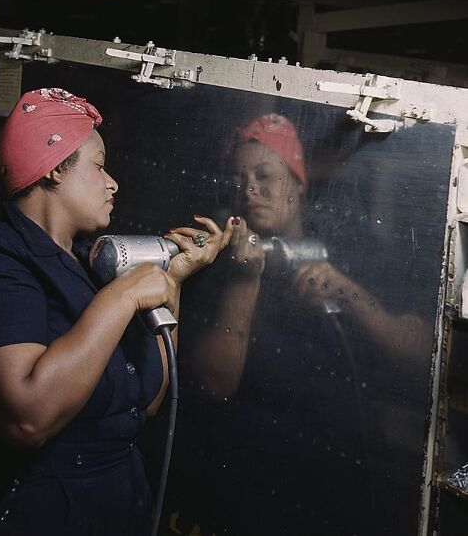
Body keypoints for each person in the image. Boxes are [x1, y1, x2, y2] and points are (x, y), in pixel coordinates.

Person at [0, 87, 235, 536]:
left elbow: (151, 402)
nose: (112, 182)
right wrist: (121, 297)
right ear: (56, 169)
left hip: (120, 501)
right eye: (99, 166)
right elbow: (26, 417)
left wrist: (171, 282)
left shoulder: (85, 264)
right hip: (45, 513)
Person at [175, 113, 433, 535]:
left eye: (265, 175)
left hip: (341, 470)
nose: (249, 190)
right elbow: (213, 382)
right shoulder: (215, 261)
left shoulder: (351, 245)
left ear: (298, 182)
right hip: (248, 475)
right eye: (238, 179)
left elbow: (422, 352)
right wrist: (245, 278)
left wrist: (348, 292)